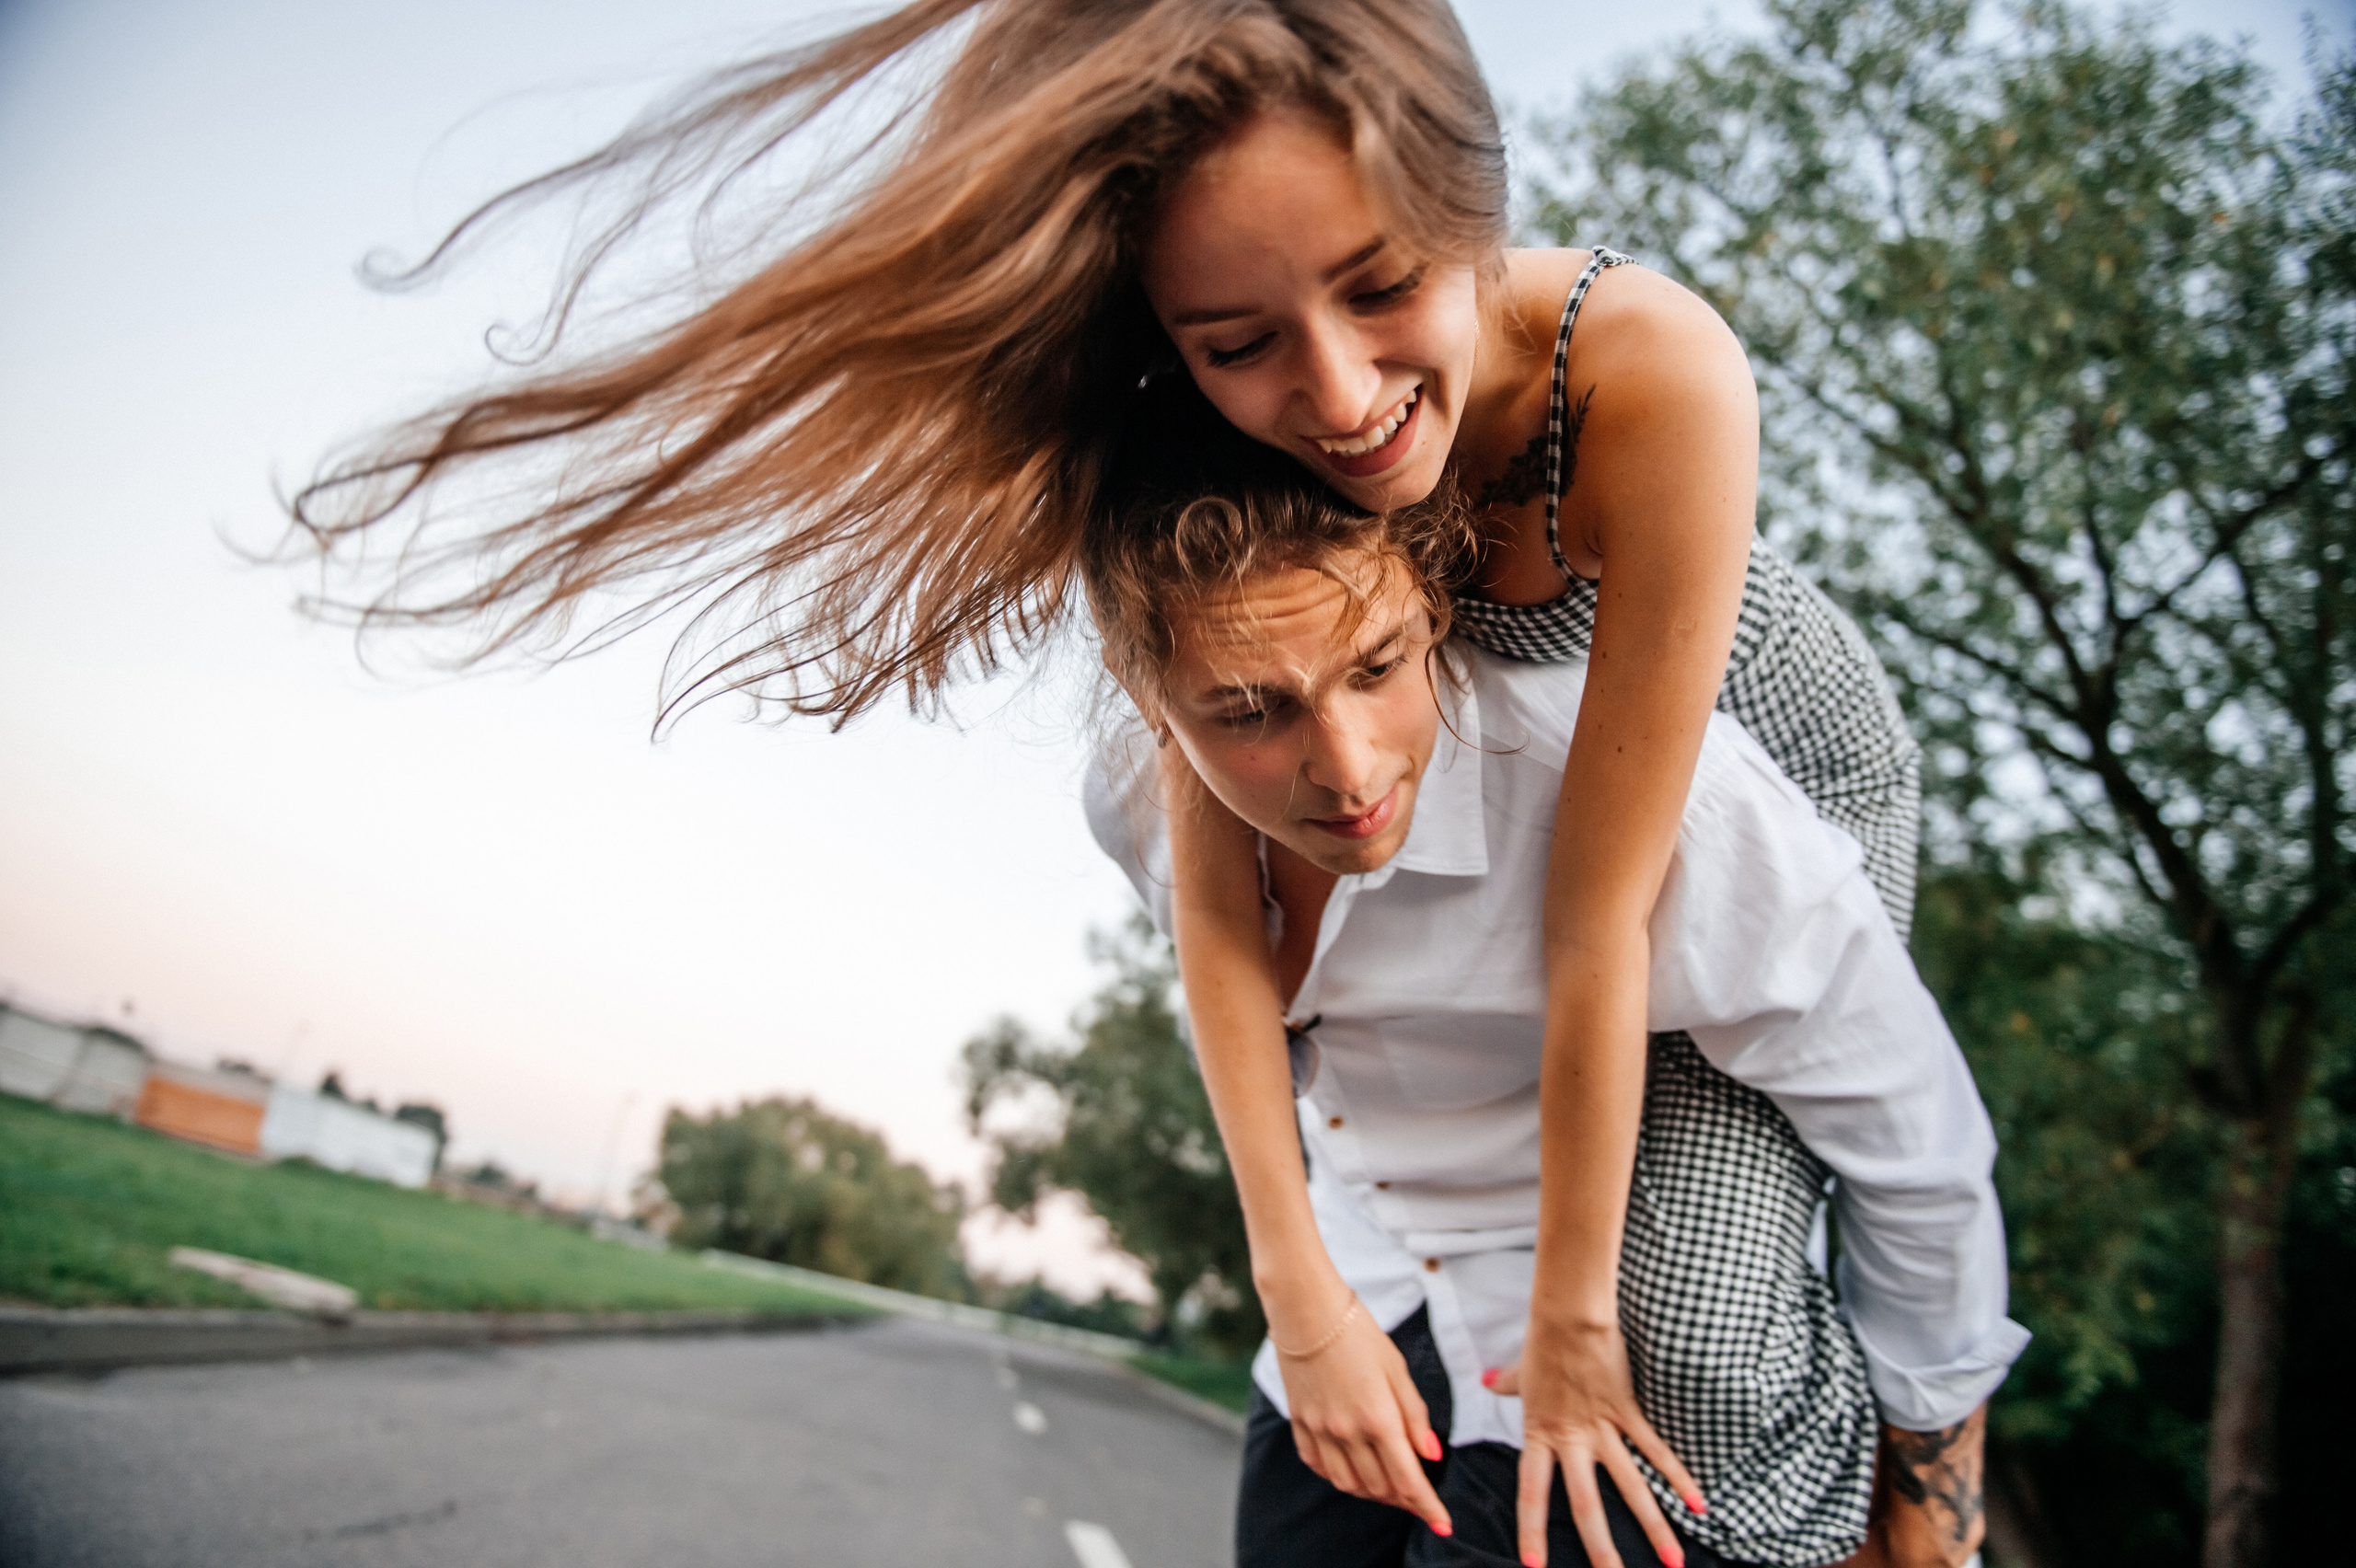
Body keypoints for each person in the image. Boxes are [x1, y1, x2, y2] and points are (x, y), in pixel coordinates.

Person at [294, 3, 1919, 1558]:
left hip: (1747, 772)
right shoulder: (1178, 450)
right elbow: (1223, 939)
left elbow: (1597, 918)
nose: (1341, 403)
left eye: (1381, 288)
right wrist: (1299, 1297)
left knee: (1680, 1324)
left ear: (1468, 203)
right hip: (1466, 758)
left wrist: (1576, 1326)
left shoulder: (1642, 367)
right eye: (1239, 342)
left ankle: (1916, 1485)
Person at [1078, 380, 2025, 1568]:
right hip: (1358, 1283)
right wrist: (1303, 1300)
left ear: (1428, 603)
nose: (1348, 769)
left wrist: (1940, 1515)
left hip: (1593, 1344)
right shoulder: (1138, 808)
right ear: (1151, 704)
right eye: (1252, 711)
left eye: (1376, 667)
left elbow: (1921, 1148)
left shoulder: (1643, 790)